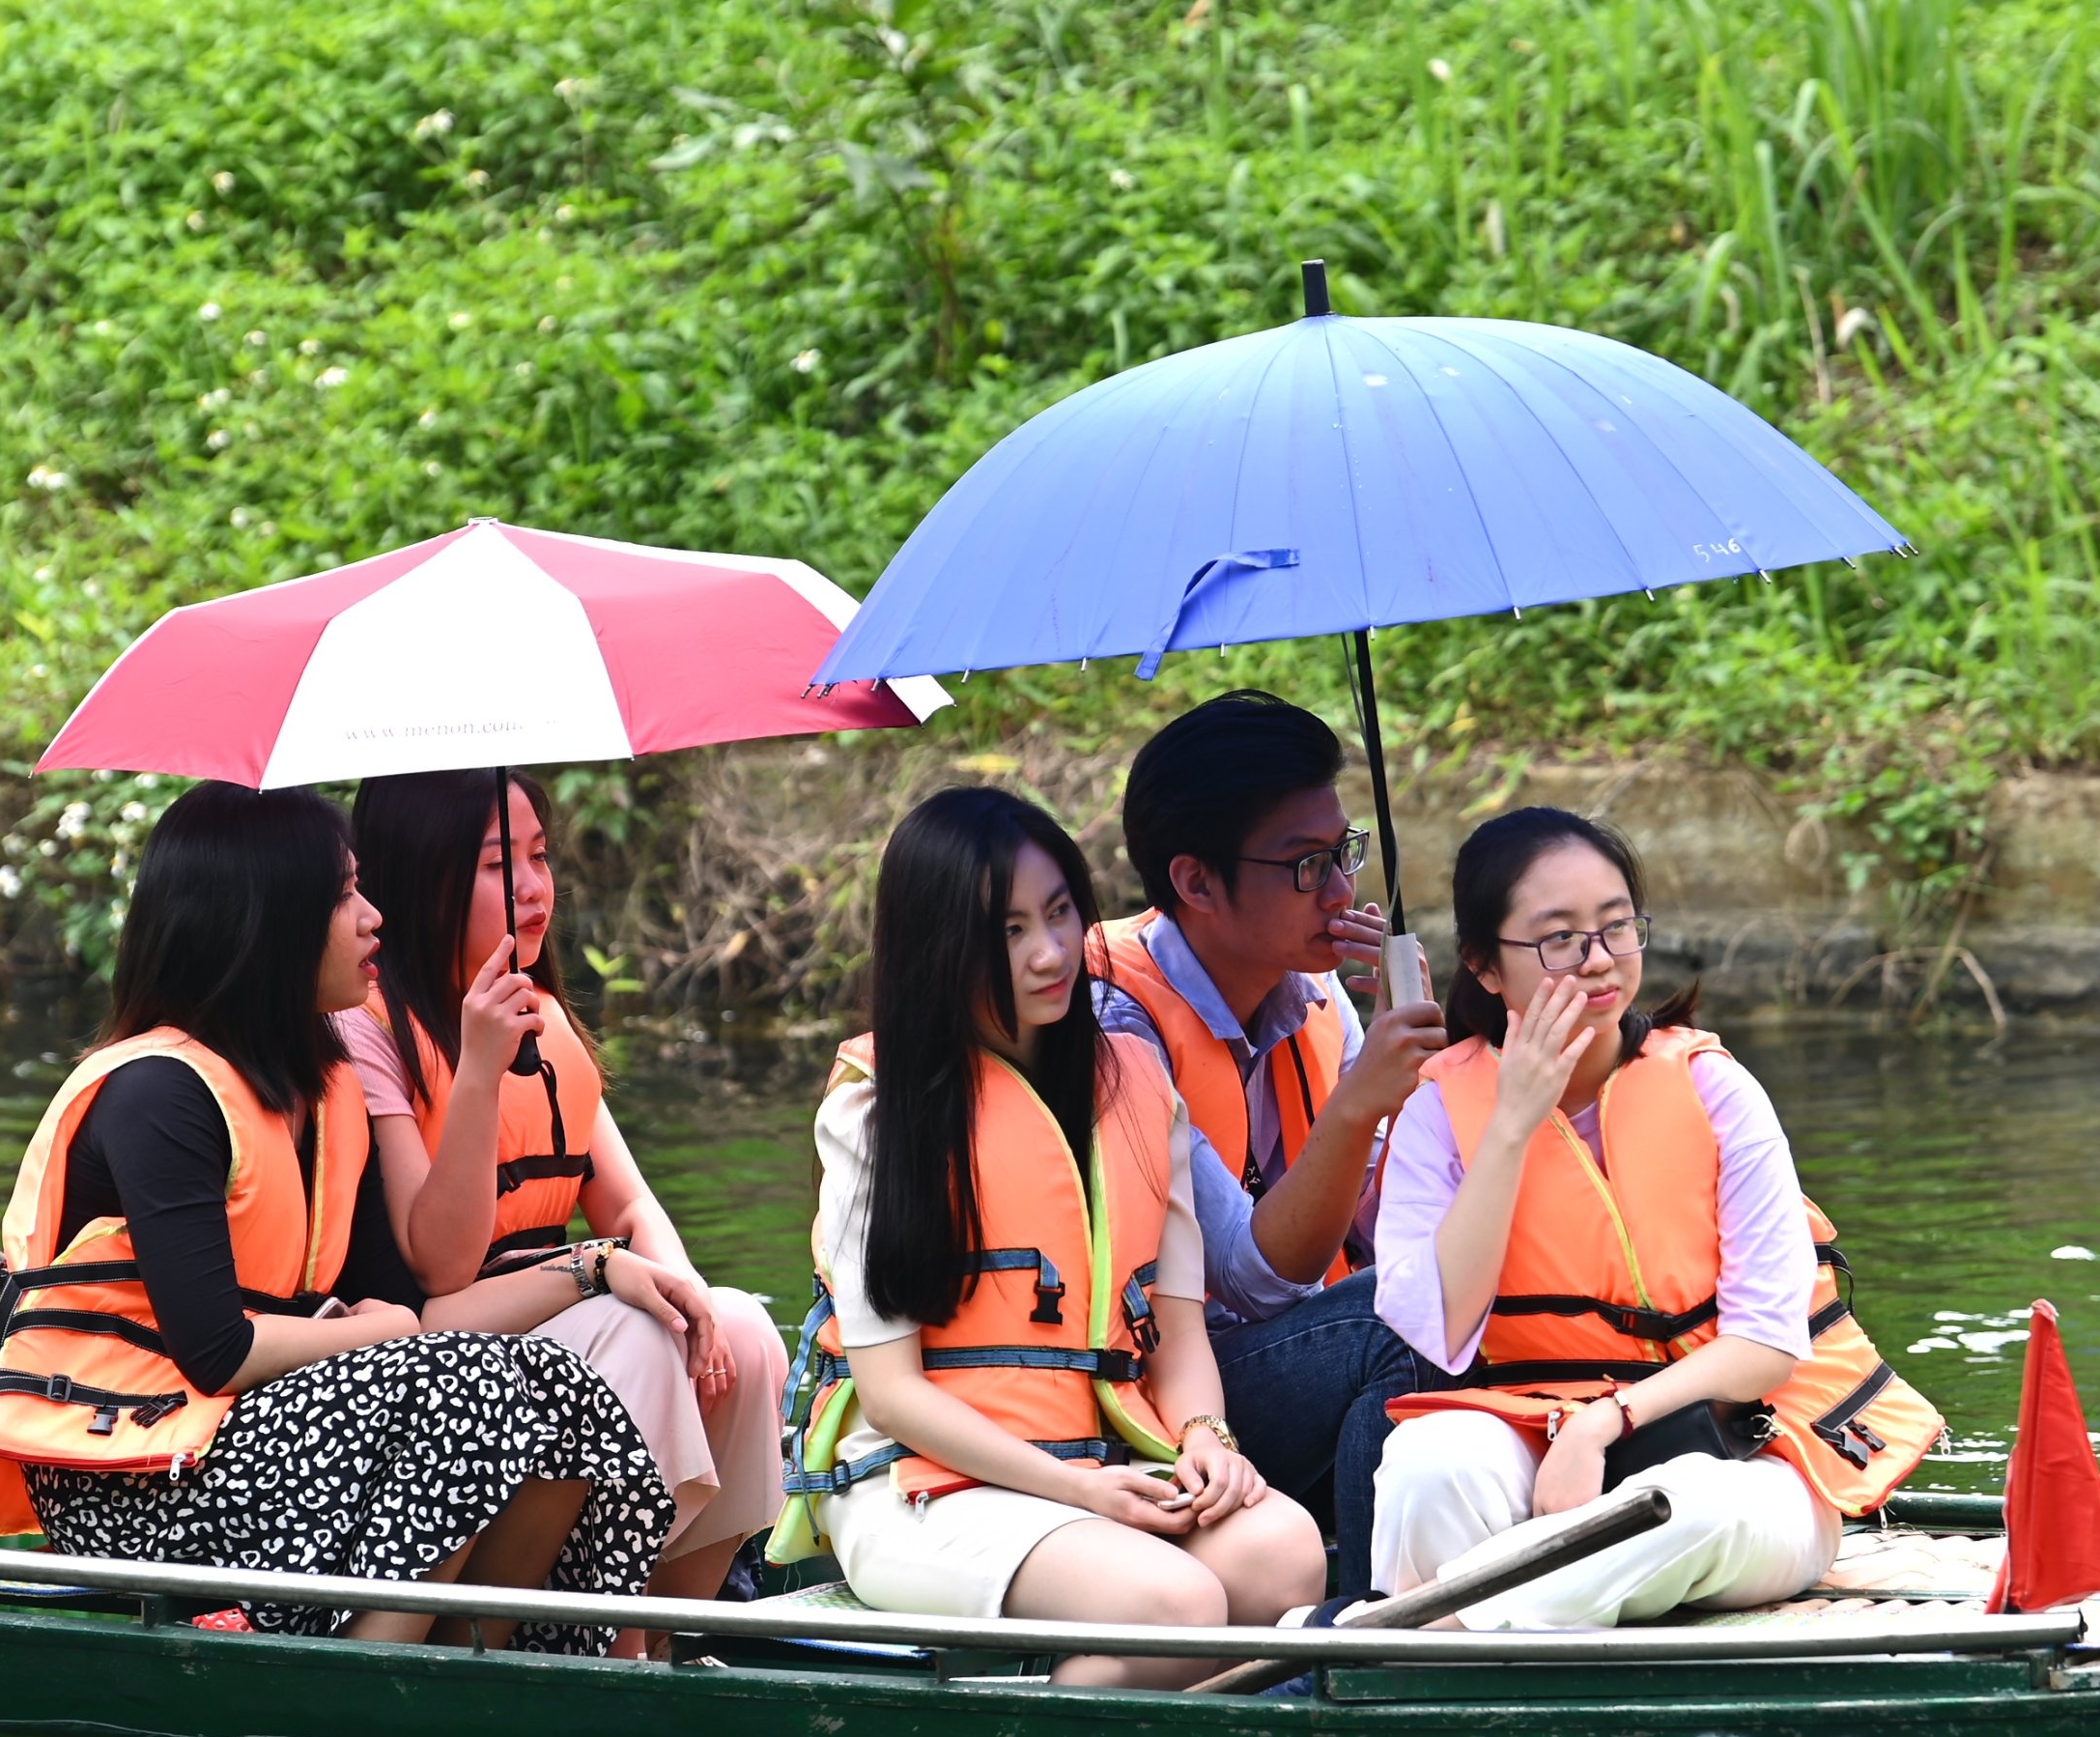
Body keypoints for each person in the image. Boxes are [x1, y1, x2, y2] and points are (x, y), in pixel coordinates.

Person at [0, 782, 672, 1649]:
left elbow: (409, 1303)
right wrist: (375, 1332)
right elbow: (219, 1350)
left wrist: (591, 1265)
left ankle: (491, 1659)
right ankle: (373, 1678)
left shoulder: (327, 1096)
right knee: (469, 1385)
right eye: (344, 896)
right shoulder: (159, 1092)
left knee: (559, 1393)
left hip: (258, 1438)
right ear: (268, 920)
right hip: (132, 1474)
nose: (374, 920)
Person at [780, 786, 1321, 1687]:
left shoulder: (1140, 1088)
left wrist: (1204, 1437)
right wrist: (1075, 1491)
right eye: (1009, 930)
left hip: (1106, 1464)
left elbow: (1177, 1332)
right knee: (1177, 1604)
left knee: (1284, 1555)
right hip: (920, 1486)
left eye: (1062, 913)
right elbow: (895, 1393)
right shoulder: (875, 1115)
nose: (1050, 952)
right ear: (938, 944)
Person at [1367, 808, 1945, 1630]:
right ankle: (1497, 1634)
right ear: (1484, 965)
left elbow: (1767, 1344)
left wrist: (1605, 1424)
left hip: (1748, 1455)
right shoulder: (1437, 1112)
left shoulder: (1716, 1091)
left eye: (1615, 928)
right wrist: (1510, 1126)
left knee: (1679, 1507)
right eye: (1559, 938)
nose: (1598, 960)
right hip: (1543, 1435)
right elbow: (1439, 1324)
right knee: (1428, 1463)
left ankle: (1428, 1634)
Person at [339, 767, 790, 1623]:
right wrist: (475, 1069)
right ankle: (585, 1631)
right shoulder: (369, 1026)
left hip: (575, 1290)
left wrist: (689, 1297)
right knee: (634, 1331)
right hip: (460, 1328)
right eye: (496, 867)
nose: (534, 888)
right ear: (418, 874)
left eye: (540, 857)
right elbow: (439, 1266)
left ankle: (671, 1629)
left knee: (743, 1331)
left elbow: (624, 1206)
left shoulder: (542, 1013)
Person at [1084, 692, 1444, 1601]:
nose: (1340, 892)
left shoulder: (1319, 995)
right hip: (1167, 1399)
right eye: (1305, 866)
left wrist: (1439, 1072)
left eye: (1343, 853)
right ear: (1197, 883)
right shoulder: (1110, 1017)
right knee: (1393, 1320)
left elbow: (1385, 1216)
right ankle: (1371, 1632)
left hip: (1290, 1362)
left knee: (1457, 1278)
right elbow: (1246, 1276)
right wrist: (1359, 1109)